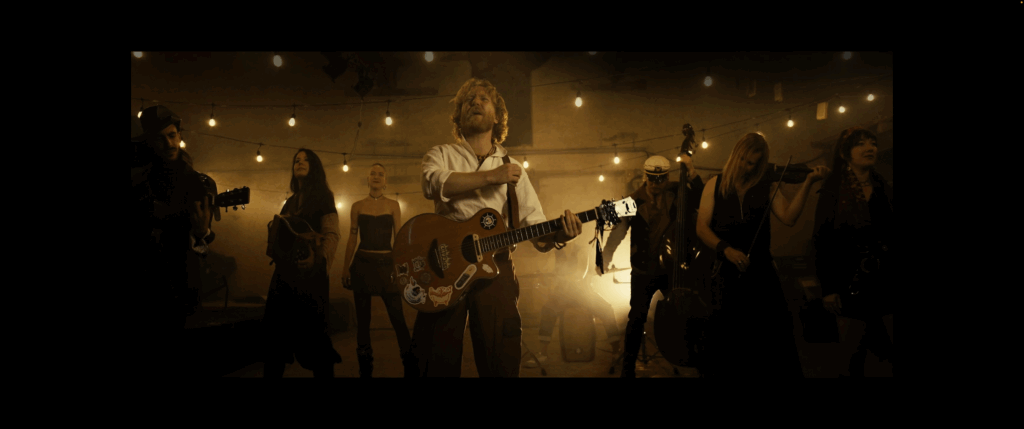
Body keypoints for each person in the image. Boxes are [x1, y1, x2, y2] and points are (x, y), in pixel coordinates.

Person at [415, 78, 584, 377]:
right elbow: (433, 184)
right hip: (444, 266)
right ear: (459, 115)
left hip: (496, 268)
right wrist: (493, 177)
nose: (475, 102)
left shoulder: (514, 168)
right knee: (434, 359)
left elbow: (534, 226)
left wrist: (560, 234)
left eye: (484, 99)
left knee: (501, 360)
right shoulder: (441, 153)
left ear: (497, 116)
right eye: (468, 100)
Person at [695, 133, 829, 378]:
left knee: (771, 341)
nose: (746, 167)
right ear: (735, 155)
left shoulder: (766, 186)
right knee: (727, 342)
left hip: (760, 274)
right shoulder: (714, 184)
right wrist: (726, 248)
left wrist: (808, 184)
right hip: (725, 275)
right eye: (744, 160)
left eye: (752, 163)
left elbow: (789, 218)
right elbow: (701, 227)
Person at [130, 106, 218, 376]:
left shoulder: (198, 183)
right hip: (143, 285)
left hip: (180, 286)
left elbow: (202, 250)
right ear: (150, 141)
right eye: (161, 138)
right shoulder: (139, 180)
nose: (169, 143)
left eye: (172, 135)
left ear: (180, 134)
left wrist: (202, 233)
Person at [600, 153, 705, 378]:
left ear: (667, 177)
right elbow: (618, 231)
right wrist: (605, 257)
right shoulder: (631, 200)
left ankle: (690, 357)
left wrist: (691, 170)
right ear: (645, 177)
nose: (656, 184)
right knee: (636, 317)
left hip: (672, 267)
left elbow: (702, 196)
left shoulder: (678, 191)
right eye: (652, 179)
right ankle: (628, 369)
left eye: (661, 179)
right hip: (643, 269)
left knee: (683, 311)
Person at [813, 127, 893, 377]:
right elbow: (823, 239)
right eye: (861, 144)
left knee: (885, 356)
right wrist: (828, 288)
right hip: (849, 282)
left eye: (873, 143)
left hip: (882, 280)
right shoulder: (833, 188)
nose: (870, 148)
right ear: (846, 153)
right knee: (852, 356)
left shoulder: (881, 185)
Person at [263, 149, 343, 378]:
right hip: (283, 278)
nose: (300, 162)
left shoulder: (323, 196)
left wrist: (318, 261)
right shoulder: (288, 203)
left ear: (315, 166)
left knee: (317, 347)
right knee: (274, 344)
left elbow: (332, 234)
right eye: (296, 160)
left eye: (306, 159)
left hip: (311, 280)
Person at [340, 163, 416, 378]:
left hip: (386, 264)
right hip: (363, 263)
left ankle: (410, 366)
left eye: (380, 174)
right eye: (372, 173)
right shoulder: (357, 205)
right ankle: (366, 369)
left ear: (385, 181)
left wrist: (403, 268)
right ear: (367, 179)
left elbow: (399, 237)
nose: (376, 177)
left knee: (397, 318)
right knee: (363, 321)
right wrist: (345, 267)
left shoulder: (393, 205)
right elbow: (352, 236)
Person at [523, 242, 622, 369]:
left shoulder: (582, 248)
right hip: (562, 294)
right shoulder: (554, 250)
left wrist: (559, 277)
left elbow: (580, 275)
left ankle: (616, 352)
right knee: (547, 310)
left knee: (606, 309)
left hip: (584, 293)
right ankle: (543, 354)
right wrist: (545, 280)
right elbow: (548, 272)